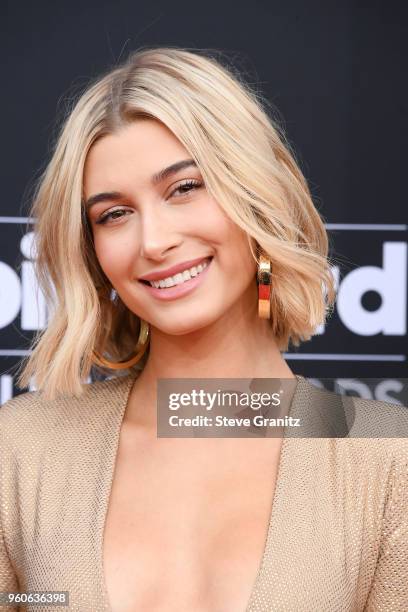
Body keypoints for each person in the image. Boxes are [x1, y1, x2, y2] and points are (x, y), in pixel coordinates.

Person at [0, 46, 407, 612]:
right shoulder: (18, 451)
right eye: (114, 214)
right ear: (92, 252)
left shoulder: (386, 461)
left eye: (184, 188)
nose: (154, 241)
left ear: (257, 198)